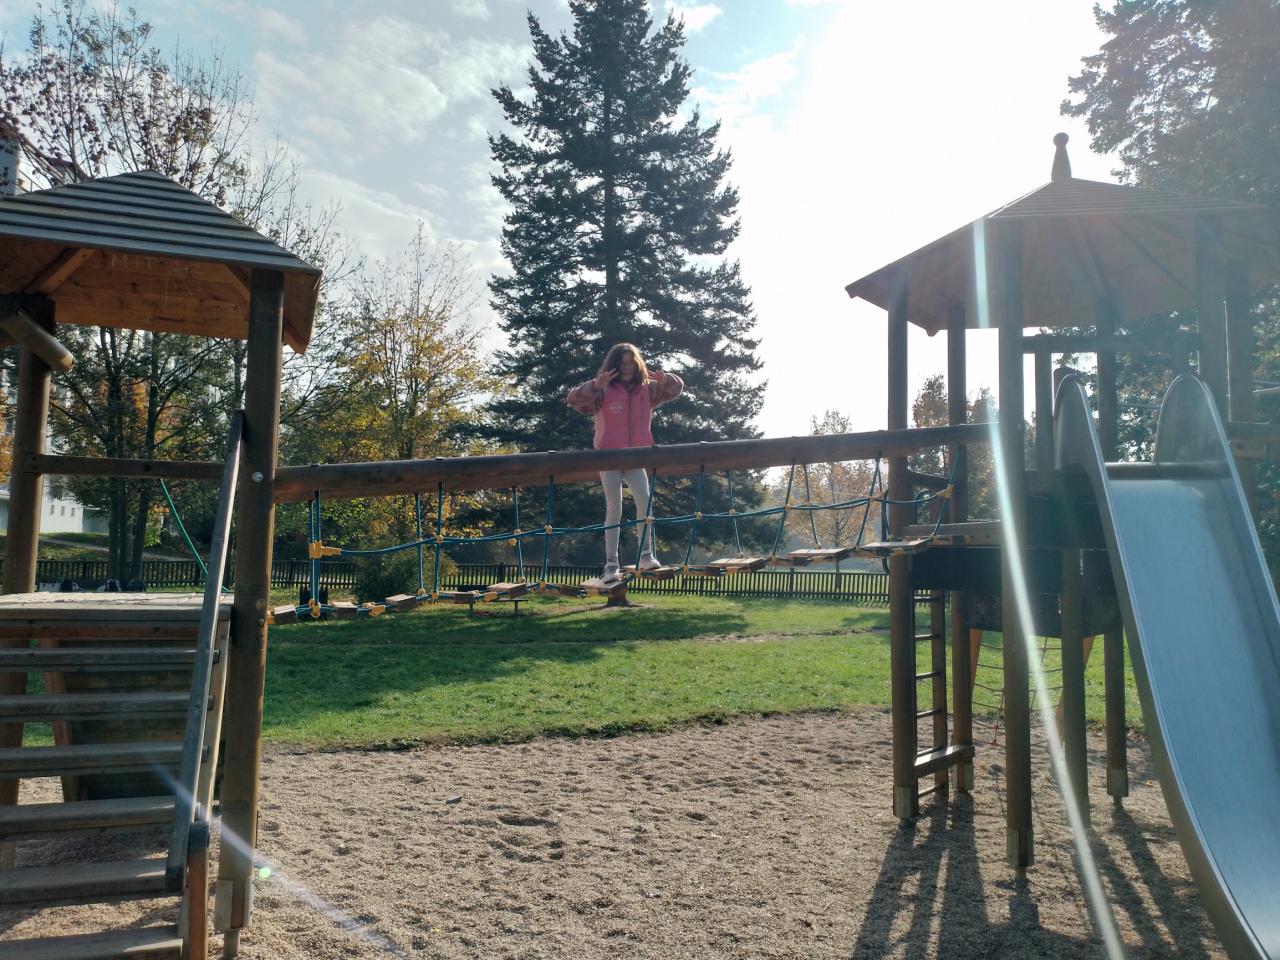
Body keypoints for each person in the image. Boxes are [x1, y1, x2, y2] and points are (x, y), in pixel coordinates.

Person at [567, 343, 684, 582]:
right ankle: (611, 564)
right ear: (614, 365)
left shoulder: (647, 389)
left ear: (637, 363)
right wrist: (594, 386)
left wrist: (666, 380)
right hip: (608, 456)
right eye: (622, 363)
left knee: (645, 501)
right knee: (614, 508)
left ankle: (646, 555)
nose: (627, 367)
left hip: (635, 456)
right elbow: (574, 399)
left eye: (631, 362)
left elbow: (676, 388)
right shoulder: (603, 389)